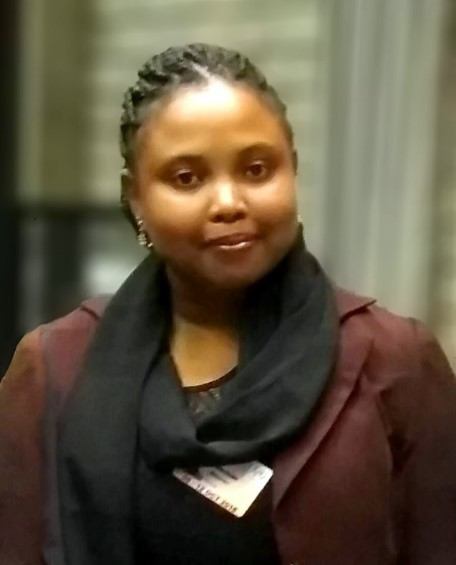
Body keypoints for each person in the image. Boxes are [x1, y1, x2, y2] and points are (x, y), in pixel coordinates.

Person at [1, 43, 455, 565]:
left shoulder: (395, 361)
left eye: (257, 170)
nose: (228, 203)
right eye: (187, 178)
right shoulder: (54, 369)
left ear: (293, 169)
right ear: (135, 197)